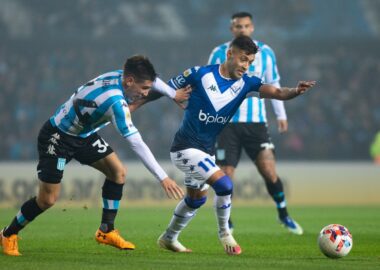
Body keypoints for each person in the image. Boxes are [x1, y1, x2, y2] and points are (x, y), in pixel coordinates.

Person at [0, 55, 191, 256]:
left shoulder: (121, 76)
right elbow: (136, 143)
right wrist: (163, 178)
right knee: (47, 200)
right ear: (130, 81)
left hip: (84, 135)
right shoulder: (114, 101)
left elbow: (155, 81)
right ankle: (8, 234)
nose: (144, 93)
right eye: (143, 89)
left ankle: (106, 230)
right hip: (57, 137)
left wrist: (172, 93)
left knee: (118, 173)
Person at [147, 36, 315, 255]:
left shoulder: (247, 83)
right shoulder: (199, 73)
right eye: (243, 59)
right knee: (225, 185)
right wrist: (134, 104)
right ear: (229, 54)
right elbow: (163, 88)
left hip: (206, 152)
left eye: (250, 62)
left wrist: (295, 90)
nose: (246, 66)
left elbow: (277, 92)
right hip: (184, 148)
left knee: (196, 200)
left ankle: (168, 237)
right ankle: (225, 233)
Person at [208, 11, 302, 235]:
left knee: (269, 171)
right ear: (232, 29)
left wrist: (281, 115)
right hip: (226, 123)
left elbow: (274, 83)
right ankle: (226, 222)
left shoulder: (266, 52)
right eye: (238, 26)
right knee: (226, 175)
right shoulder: (219, 52)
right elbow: (208, 82)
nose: (242, 30)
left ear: (252, 28)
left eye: (246, 26)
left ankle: (284, 214)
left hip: (256, 123)